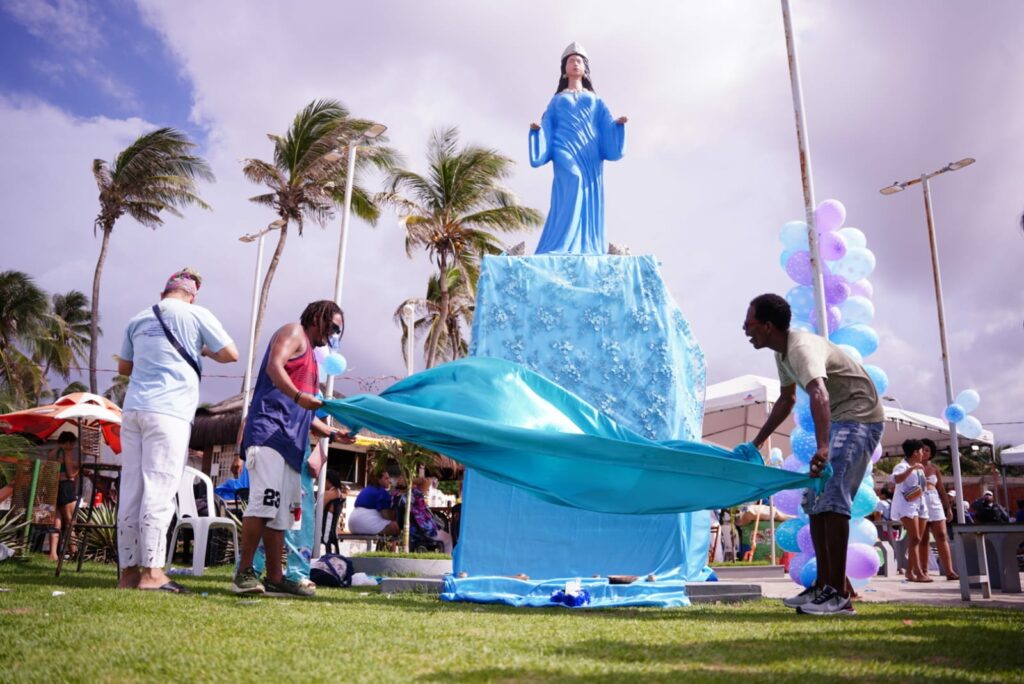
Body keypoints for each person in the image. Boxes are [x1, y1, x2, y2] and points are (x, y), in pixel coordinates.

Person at [743, 293, 884, 615]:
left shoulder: (800, 348)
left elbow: (818, 392)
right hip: (839, 420)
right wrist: (755, 443)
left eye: (748, 323)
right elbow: (787, 400)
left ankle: (838, 595)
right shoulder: (782, 354)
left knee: (832, 500)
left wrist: (823, 445)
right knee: (815, 502)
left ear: (767, 325)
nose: (745, 330)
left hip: (858, 417)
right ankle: (823, 587)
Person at [116, 268, 238, 592]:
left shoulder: (138, 318)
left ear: (163, 293)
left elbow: (124, 367)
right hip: (169, 412)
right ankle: (153, 573)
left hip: (133, 410)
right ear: (192, 295)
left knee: (130, 491)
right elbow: (230, 353)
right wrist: (203, 350)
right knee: (159, 490)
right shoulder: (196, 314)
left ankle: (127, 574)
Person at [232, 300, 354, 597]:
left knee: (283, 515)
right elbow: (275, 367)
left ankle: (276, 576)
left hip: (291, 444)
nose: (335, 334)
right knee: (265, 503)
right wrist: (300, 396)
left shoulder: (312, 358)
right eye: (334, 327)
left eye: (340, 331)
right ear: (318, 317)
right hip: (270, 434)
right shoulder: (293, 332)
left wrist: (333, 434)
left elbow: (305, 413)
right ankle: (243, 572)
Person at [529, 42, 627, 255]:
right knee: (574, 180)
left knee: (587, 190)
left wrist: (617, 126)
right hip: (563, 148)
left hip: (589, 152)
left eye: (579, 61)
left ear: (585, 68)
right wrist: (538, 132)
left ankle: (585, 245)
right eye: (571, 61)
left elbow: (605, 124)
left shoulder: (595, 100)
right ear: (565, 68)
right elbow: (548, 124)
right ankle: (560, 243)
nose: (575, 64)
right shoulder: (557, 100)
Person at [890, 439, 930, 582]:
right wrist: (911, 470)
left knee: (917, 539)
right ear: (915, 452)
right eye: (921, 451)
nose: (923, 454)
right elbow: (895, 479)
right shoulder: (902, 466)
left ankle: (909, 572)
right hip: (906, 505)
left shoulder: (920, 467)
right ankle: (919, 573)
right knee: (915, 538)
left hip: (920, 504)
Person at [918, 438, 958, 580]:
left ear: (931, 452)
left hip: (935, 501)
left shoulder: (934, 468)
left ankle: (949, 571)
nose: (925, 452)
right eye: (922, 449)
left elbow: (941, 489)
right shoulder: (912, 467)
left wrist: (948, 508)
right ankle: (924, 571)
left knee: (941, 535)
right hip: (920, 501)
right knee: (923, 538)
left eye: (928, 450)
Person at [48, 432, 78, 561]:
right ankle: (74, 553)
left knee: (57, 521)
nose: (72, 447)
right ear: (68, 443)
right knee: (70, 521)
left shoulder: (52, 452)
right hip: (66, 486)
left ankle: (53, 554)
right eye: (72, 444)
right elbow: (71, 474)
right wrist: (79, 469)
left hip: (54, 486)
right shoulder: (67, 452)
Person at [349, 469, 400, 537]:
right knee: (395, 528)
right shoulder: (382, 492)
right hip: (364, 523)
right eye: (386, 478)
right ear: (378, 480)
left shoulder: (366, 489)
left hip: (352, 524)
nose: (389, 481)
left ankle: (382, 546)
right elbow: (386, 516)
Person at [409, 476, 453, 553]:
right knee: (448, 539)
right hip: (423, 532)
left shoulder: (411, 495)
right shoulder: (417, 495)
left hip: (419, 530)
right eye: (427, 488)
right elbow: (422, 521)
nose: (428, 490)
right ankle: (447, 561)